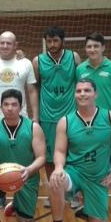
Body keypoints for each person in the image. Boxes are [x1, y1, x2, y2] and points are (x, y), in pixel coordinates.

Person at [49, 79, 111, 222]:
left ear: (96, 94)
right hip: (75, 173)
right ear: (75, 95)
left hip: (98, 177)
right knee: (55, 181)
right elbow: (59, 150)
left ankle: (86, 211)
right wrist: (59, 167)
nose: (82, 94)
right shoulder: (65, 121)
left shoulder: (110, 117)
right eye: (79, 91)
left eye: (87, 90)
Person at [0, 89, 46, 222]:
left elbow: (42, 158)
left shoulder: (33, 127)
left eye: (14, 104)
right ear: (1, 107)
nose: (10, 108)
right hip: (2, 175)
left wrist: (29, 170)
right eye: (6, 104)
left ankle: (16, 204)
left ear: (21, 106)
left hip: (27, 176)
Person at [31, 26, 81, 208]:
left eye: (55, 41)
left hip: (70, 117)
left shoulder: (74, 58)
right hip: (48, 117)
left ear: (63, 41)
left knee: (72, 157)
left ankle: (72, 193)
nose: (52, 45)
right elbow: (34, 88)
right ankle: (55, 193)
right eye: (49, 41)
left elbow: (79, 84)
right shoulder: (38, 61)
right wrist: (35, 116)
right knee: (50, 159)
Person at [0, 31, 38, 135]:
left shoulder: (26, 63)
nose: (5, 46)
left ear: (15, 45)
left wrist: (35, 116)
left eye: (9, 43)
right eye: (2, 43)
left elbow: (32, 91)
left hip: (21, 120)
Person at [76, 32, 111, 126]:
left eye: (96, 46)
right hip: (85, 119)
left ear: (103, 48)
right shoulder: (80, 69)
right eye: (89, 46)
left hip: (109, 119)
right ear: (85, 49)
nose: (92, 50)